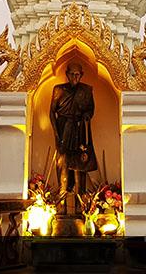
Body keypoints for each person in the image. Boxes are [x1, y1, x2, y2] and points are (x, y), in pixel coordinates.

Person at [50, 62, 97, 214]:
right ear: (67, 74)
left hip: (79, 130)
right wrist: (57, 134)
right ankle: (61, 206)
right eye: (72, 74)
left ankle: (80, 207)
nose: (74, 77)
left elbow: (91, 109)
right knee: (62, 165)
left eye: (77, 75)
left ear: (81, 75)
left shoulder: (86, 90)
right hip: (63, 129)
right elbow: (52, 113)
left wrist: (86, 116)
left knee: (80, 168)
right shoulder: (59, 90)